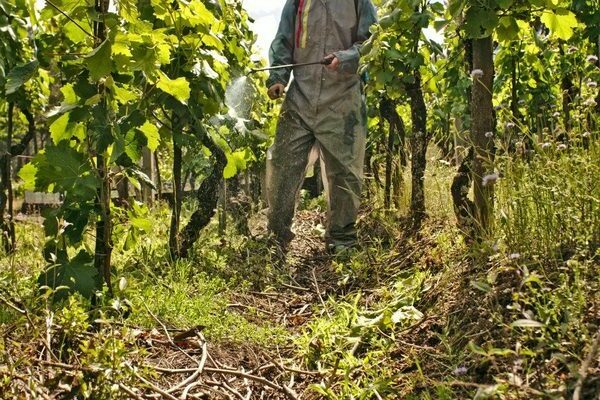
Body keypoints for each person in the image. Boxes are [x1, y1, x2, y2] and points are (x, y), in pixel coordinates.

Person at [266, 0, 377, 253]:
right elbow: (283, 41)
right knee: (284, 164)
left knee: (344, 172)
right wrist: (278, 77)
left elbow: (372, 43)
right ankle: (277, 237)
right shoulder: (298, 2)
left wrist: (346, 57)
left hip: (343, 100)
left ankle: (341, 239)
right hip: (300, 98)